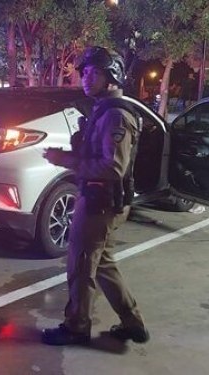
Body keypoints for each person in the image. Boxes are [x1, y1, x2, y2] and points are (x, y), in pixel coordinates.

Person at [41, 46, 149, 345]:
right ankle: (133, 323)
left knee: (81, 267)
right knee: (103, 265)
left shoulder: (115, 115)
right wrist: (69, 152)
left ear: (112, 76)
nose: (87, 79)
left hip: (101, 204)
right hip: (101, 201)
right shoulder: (103, 110)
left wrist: (67, 161)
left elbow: (112, 167)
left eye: (94, 73)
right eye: (85, 72)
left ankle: (76, 326)